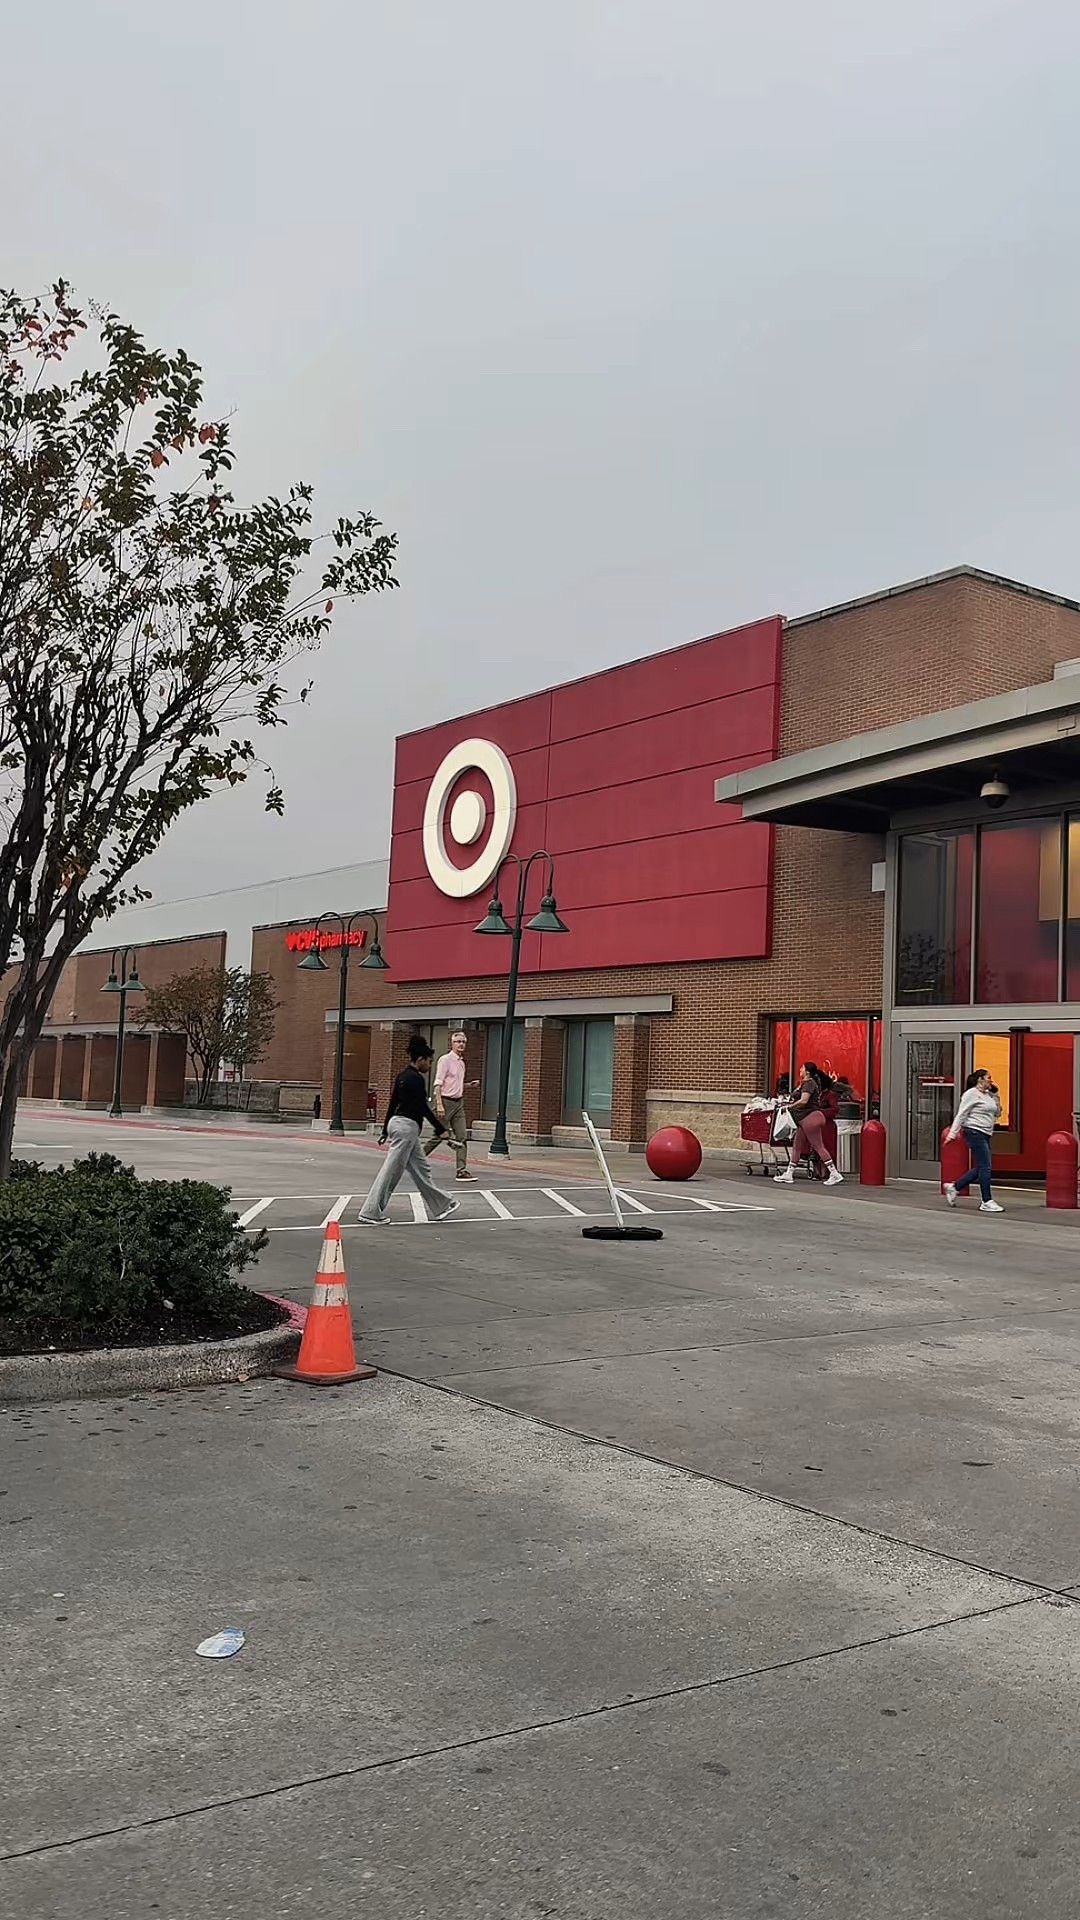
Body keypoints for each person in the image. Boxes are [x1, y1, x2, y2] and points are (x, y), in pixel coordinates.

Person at [357, 1036, 460, 1225]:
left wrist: (385, 1131)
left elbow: (393, 1102)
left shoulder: (402, 1077)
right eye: (428, 1062)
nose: (429, 1066)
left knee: (422, 1169)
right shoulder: (416, 1080)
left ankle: (442, 1204)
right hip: (407, 1128)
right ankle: (370, 1211)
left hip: (398, 1124)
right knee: (392, 1170)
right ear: (420, 1059)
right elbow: (422, 1107)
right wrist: (441, 1130)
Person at [773, 1061, 843, 1187]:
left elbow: (804, 1101)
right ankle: (789, 1173)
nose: (800, 1070)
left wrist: (789, 1107)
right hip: (805, 1119)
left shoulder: (809, 1083)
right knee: (797, 1145)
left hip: (810, 1118)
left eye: (802, 1068)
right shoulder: (805, 1084)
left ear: (807, 1071)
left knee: (818, 1146)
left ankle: (834, 1173)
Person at [944, 1069, 1003, 1213]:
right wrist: (952, 1134)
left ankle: (955, 1187)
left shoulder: (989, 1095)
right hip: (974, 1131)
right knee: (986, 1167)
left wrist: (996, 1098)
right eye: (988, 1078)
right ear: (980, 1080)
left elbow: (997, 1113)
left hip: (986, 1133)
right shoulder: (971, 1094)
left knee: (982, 1167)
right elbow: (961, 1114)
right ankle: (986, 1200)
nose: (991, 1081)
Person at [423, 1030, 480, 1181]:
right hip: (445, 1102)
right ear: (452, 1044)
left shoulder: (461, 1063)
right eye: (458, 1041)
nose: (461, 1044)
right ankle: (417, 1160)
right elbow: (438, 1083)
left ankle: (461, 1171)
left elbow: (455, 1084)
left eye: (463, 1042)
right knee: (437, 1137)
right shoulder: (445, 1060)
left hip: (458, 1103)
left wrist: (468, 1085)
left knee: (462, 1136)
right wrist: (439, 1104)